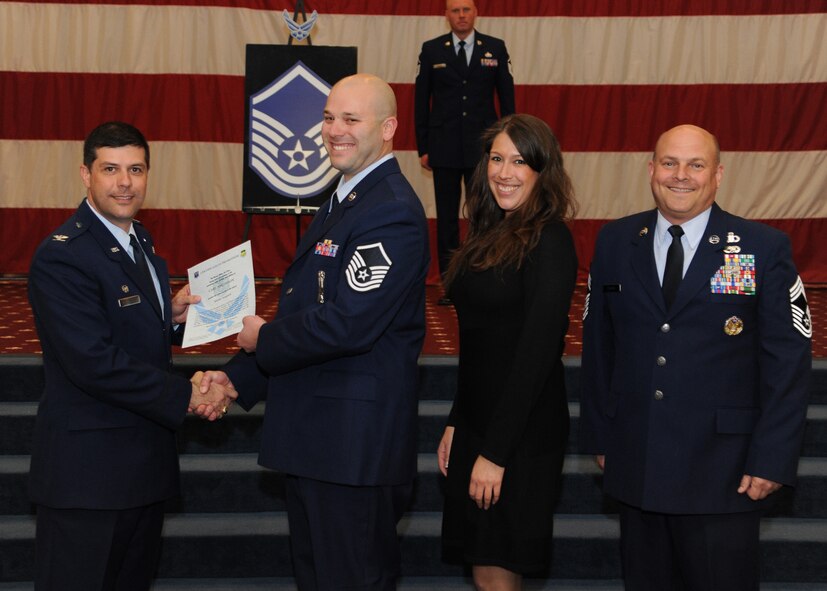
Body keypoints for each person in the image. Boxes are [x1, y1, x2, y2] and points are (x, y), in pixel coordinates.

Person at [198, 74, 430, 590]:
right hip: (320, 439)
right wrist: (239, 380)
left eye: (351, 119)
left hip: (352, 449)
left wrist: (264, 340)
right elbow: (308, 309)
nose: (334, 130)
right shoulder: (346, 197)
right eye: (328, 117)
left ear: (389, 127)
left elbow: (348, 323)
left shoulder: (389, 209)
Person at [579, 124, 813, 590]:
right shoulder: (616, 242)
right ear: (651, 170)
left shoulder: (759, 249)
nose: (680, 175)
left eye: (695, 164)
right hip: (637, 461)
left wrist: (772, 457)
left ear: (718, 174)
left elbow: (787, 363)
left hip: (723, 471)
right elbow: (599, 348)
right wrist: (602, 436)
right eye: (669, 163)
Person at [27, 121, 236, 591]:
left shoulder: (139, 241)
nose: (125, 182)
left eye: (136, 169)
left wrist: (174, 317)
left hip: (142, 467)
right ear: (86, 175)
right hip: (88, 477)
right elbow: (93, 361)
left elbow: (129, 330)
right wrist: (187, 394)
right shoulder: (64, 255)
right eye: (111, 169)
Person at [437, 114, 578, 590]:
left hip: (521, 433)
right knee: (484, 563)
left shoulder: (551, 239)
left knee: (499, 567)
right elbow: (478, 344)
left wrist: (495, 453)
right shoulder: (488, 230)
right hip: (480, 421)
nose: (504, 172)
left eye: (520, 161)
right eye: (497, 158)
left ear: (542, 171)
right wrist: (458, 419)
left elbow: (537, 353)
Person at [414, 0, 515, 299]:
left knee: (484, 215)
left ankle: (482, 277)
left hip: (483, 147)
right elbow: (422, 101)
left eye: (466, 10)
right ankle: (451, 283)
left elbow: (507, 100)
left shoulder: (495, 48)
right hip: (443, 146)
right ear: (446, 15)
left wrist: (508, 143)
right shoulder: (432, 50)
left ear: (475, 13)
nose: (461, 15)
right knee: (446, 219)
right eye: (455, 10)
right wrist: (424, 146)